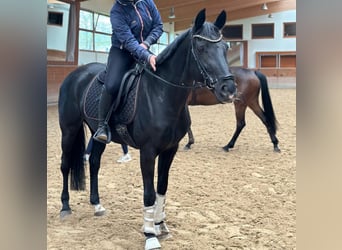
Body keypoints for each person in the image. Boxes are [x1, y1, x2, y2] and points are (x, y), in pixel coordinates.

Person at [93, 0, 163, 143]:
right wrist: (146, 54)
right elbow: (129, 41)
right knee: (112, 84)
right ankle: (102, 125)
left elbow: (158, 26)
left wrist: (146, 44)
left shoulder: (147, 2)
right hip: (122, 52)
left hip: (144, 48)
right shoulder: (116, 11)